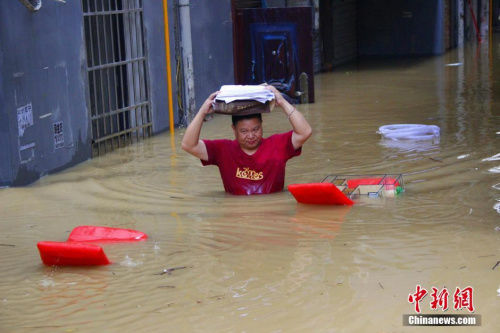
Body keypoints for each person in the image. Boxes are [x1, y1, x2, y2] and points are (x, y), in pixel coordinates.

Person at [181, 85, 312, 195]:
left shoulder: (277, 144)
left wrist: (282, 102)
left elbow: (305, 132)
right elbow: (188, 145)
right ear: (234, 129)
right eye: (244, 131)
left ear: (261, 125)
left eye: (255, 129)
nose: (250, 136)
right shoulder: (223, 150)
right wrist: (202, 113)